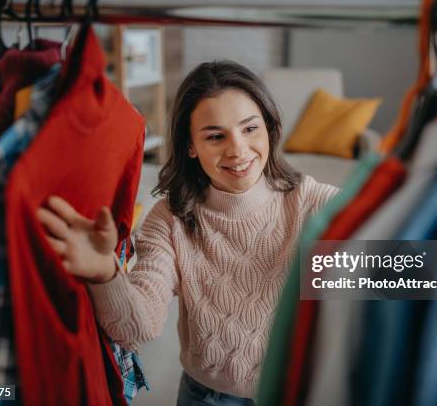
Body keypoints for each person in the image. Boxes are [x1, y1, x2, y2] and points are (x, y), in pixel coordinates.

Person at [37, 60, 338, 405]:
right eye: (215, 136)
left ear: (269, 128)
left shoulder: (313, 201)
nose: (237, 149)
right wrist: (104, 274)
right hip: (207, 397)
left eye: (250, 129)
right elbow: (138, 328)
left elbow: (406, 278)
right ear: (190, 146)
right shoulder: (170, 218)